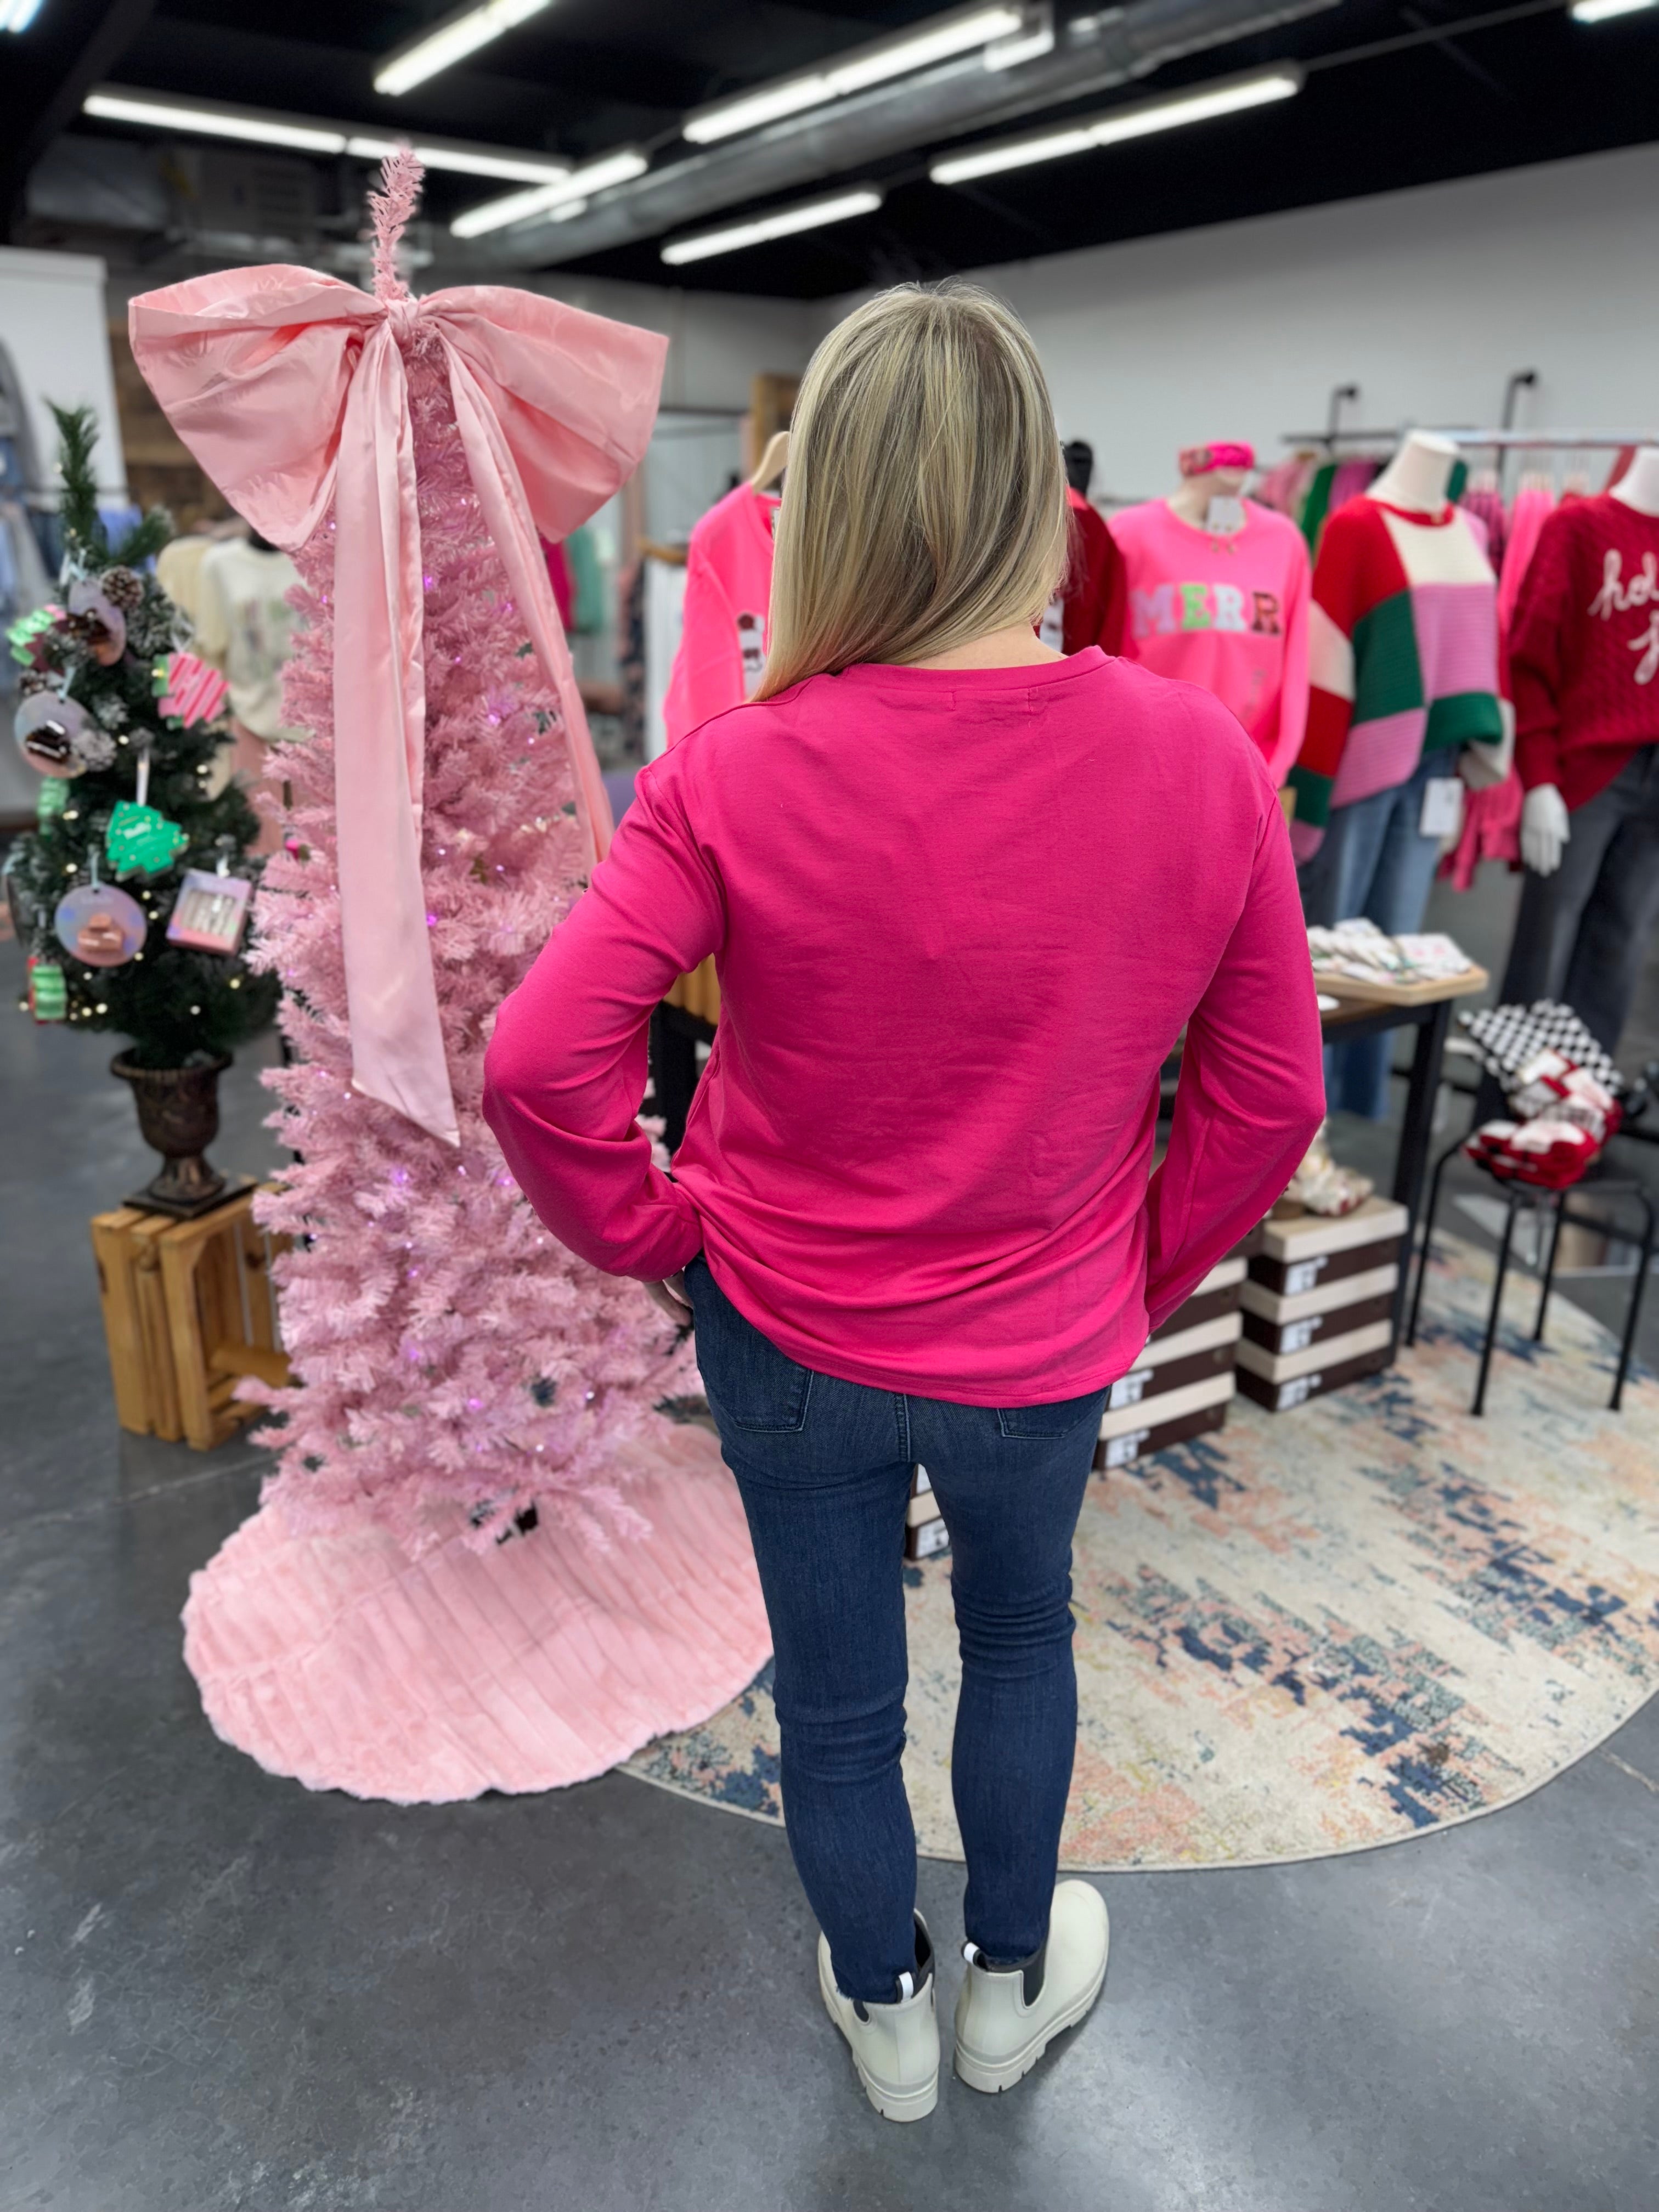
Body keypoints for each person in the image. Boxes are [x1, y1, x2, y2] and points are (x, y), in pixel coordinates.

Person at [483, 284, 1324, 2123]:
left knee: (837, 1699)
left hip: (788, 1332)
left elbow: (540, 1063)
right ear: (1043, 496)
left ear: (825, 505)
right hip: (1039, 1342)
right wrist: (1138, 1268)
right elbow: (1273, 1098)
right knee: (1025, 1641)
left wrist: (652, 1241)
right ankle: (1006, 1993)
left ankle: (886, 2013)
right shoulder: (1200, 762)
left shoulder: (732, 769)